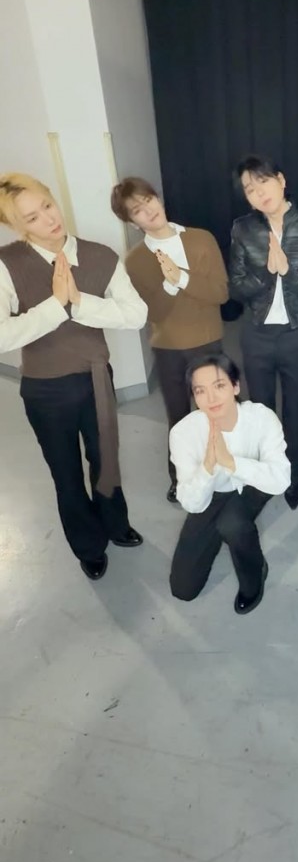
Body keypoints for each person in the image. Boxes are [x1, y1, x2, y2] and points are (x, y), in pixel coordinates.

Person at [0, 172, 148, 580]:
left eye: (47, 206)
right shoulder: (7, 264)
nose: (48, 220)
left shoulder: (100, 256)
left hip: (95, 380)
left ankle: (116, 525)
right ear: (17, 226)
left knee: (106, 461)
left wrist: (79, 303)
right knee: (65, 474)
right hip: (45, 391)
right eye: (31, 218)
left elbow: (137, 314)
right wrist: (55, 306)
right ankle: (88, 546)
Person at [110, 176, 228, 502]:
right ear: (132, 222)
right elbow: (153, 313)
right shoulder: (135, 260)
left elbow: (220, 293)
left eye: (149, 200)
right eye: (137, 210)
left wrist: (182, 277)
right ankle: (180, 479)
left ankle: (223, 470)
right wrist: (169, 283)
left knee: (217, 412)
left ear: (158, 198)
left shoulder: (201, 239)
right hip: (169, 348)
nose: (148, 210)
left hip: (208, 341)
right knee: (178, 418)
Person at [228, 155, 298, 511]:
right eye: (250, 189)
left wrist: (288, 272)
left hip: (296, 335)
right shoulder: (243, 229)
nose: (259, 192)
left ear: (281, 180)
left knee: (295, 410)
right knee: (260, 412)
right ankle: (264, 476)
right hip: (256, 335)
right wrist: (266, 273)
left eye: (263, 182)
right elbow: (236, 288)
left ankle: (294, 478)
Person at [169, 351, 290, 609]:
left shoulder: (261, 418)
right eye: (200, 391)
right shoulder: (183, 433)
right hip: (211, 491)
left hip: (252, 483)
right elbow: (191, 503)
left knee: (232, 524)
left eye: (219, 386)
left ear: (235, 386)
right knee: (183, 588)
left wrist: (231, 462)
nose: (211, 398)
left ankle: (254, 576)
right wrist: (208, 466)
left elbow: (281, 479)